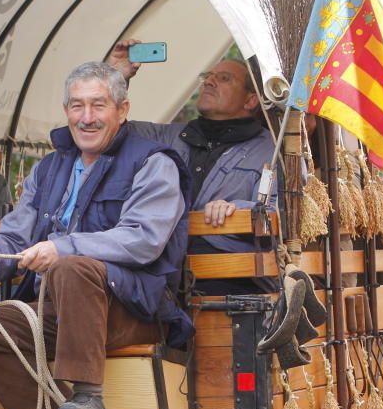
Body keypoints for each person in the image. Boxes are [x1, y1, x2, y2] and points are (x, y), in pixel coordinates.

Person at [0, 62, 192, 409]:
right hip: (56, 310)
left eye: (98, 105)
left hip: (132, 309)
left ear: (122, 111)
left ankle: (88, 396)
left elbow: (144, 239)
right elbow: (15, 237)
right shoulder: (48, 170)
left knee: (71, 266)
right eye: (77, 106)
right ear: (66, 112)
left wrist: (64, 247)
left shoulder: (153, 163)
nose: (86, 117)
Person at [107, 40, 276, 255]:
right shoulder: (166, 137)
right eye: (207, 77)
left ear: (251, 100)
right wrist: (115, 77)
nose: (208, 82)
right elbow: (106, 132)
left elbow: (281, 213)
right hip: (160, 274)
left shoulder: (272, 149)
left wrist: (237, 208)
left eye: (223, 78)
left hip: (235, 277)